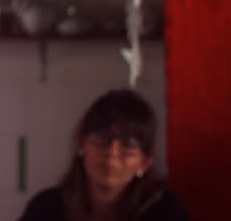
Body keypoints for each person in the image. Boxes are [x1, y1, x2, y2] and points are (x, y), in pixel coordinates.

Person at [18, 89, 188, 221]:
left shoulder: (164, 211)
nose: (112, 153)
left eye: (128, 145)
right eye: (104, 139)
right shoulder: (47, 208)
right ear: (82, 145)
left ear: (144, 163)